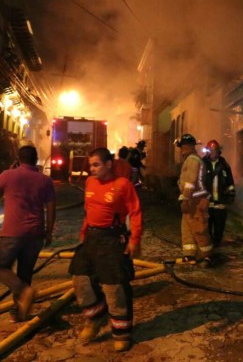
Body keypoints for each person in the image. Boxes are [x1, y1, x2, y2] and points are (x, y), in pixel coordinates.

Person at [68, 147, 142, 352]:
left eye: (96, 165)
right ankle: (96, 318)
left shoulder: (122, 185)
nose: (91, 169)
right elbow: (89, 210)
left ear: (108, 164)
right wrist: (84, 233)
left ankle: (122, 332)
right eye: (90, 165)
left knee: (114, 287)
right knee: (80, 278)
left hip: (112, 239)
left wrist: (134, 240)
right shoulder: (90, 182)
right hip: (92, 238)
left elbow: (135, 213)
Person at [0, 145, 55, 322]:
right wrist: (49, 232)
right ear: (36, 159)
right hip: (36, 233)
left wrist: (7, 176)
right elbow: (51, 208)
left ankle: (24, 292)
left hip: (13, 232)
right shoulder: (45, 180)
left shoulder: (8, 176)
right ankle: (18, 313)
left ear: (18, 159)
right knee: (25, 272)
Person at [175, 134, 213, 267]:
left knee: (199, 229)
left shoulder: (193, 160)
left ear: (188, 146)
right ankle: (190, 255)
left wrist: (185, 199)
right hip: (191, 199)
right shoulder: (190, 160)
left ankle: (207, 257)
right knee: (187, 228)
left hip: (197, 200)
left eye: (183, 146)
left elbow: (190, 183)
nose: (182, 149)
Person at [202, 140, 235, 247]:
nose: (213, 153)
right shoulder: (202, 164)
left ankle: (216, 245)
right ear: (207, 151)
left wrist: (230, 196)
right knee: (206, 227)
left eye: (215, 150)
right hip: (207, 203)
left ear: (218, 151)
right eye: (211, 150)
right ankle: (208, 245)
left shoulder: (224, 165)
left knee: (219, 227)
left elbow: (230, 182)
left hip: (220, 203)